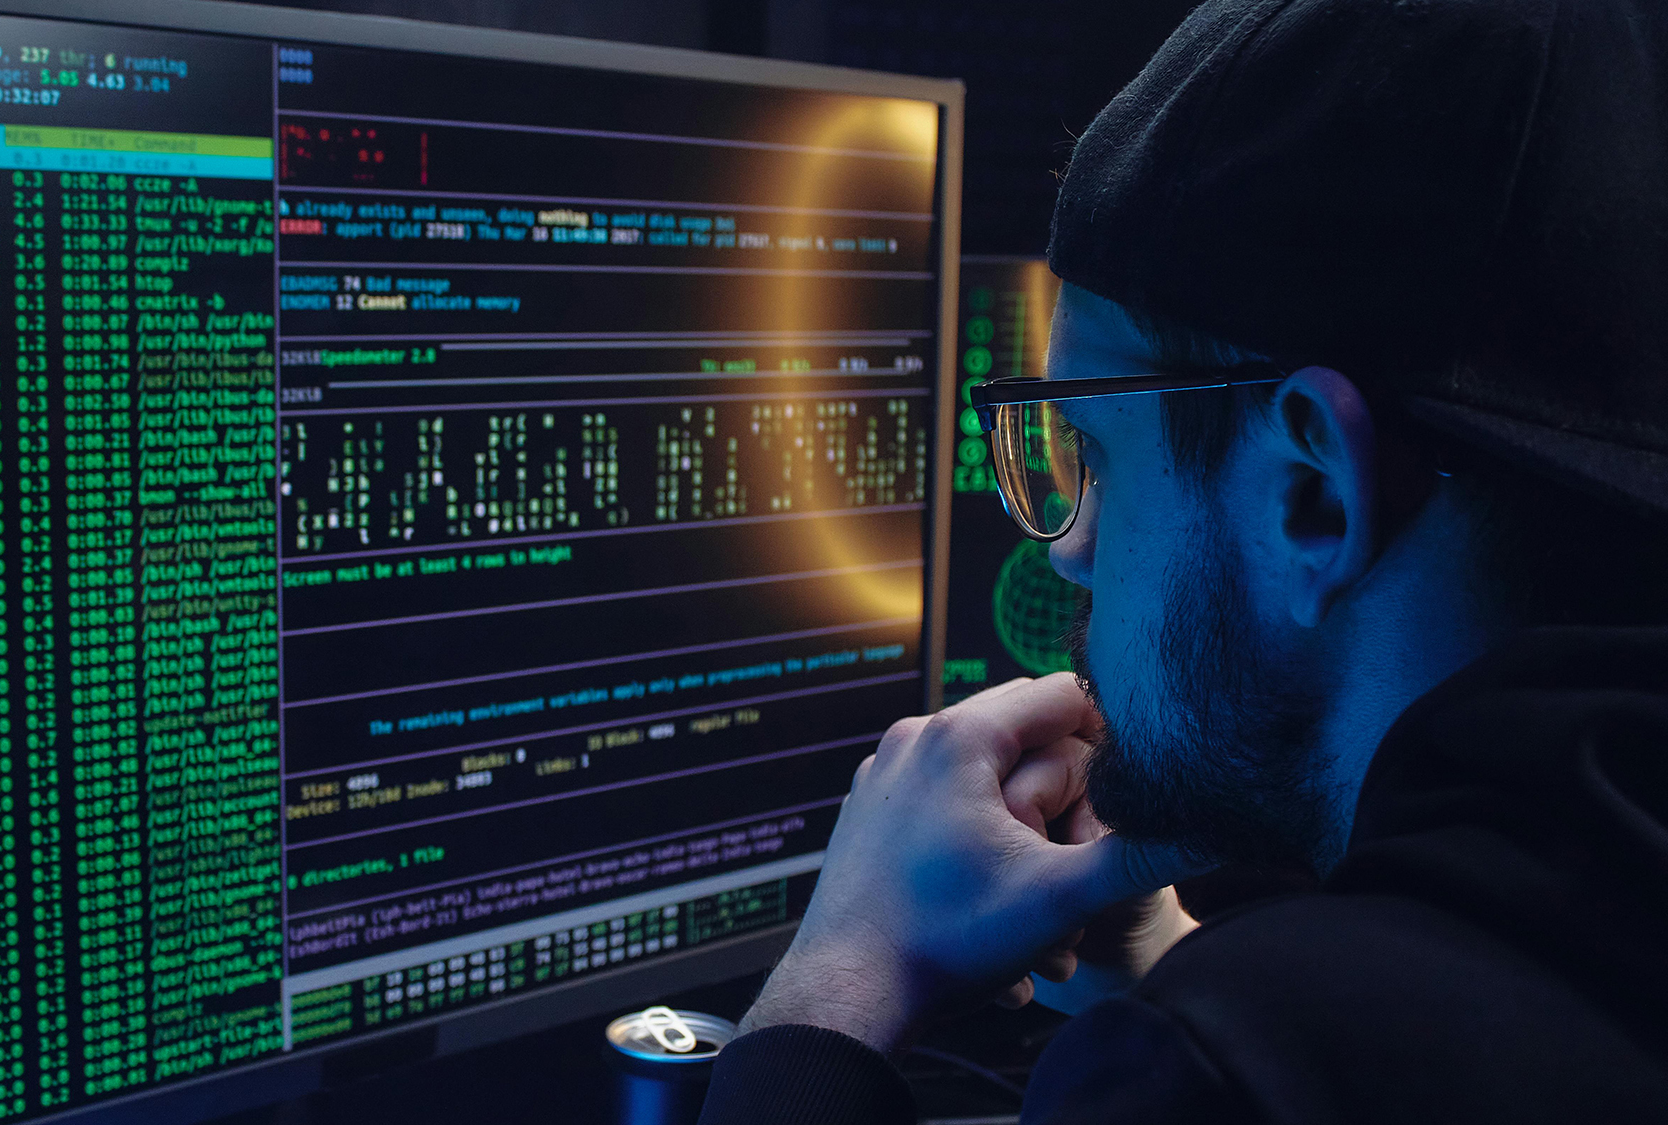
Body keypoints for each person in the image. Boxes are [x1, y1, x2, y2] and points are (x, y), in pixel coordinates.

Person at [698, 0, 1668, 1121]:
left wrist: (836, 989)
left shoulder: (1242, 1064)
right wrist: (1154, 964)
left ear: (1310, 494)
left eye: (1098, 461)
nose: (1072, 551)